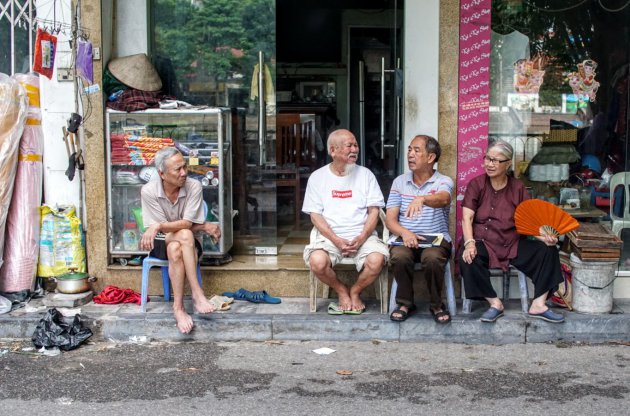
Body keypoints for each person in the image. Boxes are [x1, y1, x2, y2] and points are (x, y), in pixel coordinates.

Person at [459, 139, 565, 323]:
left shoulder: (517, 187)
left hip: (511, 242)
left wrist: (544, 237)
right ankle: (495, 303)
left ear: (508, 164)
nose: (490, 164)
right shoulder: (476, 184)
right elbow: (466, 218)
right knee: (468, 257)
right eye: (487, 159)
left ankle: (538, 304)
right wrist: (469, 243)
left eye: (496, 160)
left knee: (547, 251)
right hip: (483, 241)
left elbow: (528, 220)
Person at [302, 129, 389, 314]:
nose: (354, 149)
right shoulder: (318, 178)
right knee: (317, 262)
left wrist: (362, 237)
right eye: (349, 145)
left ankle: (355, 291)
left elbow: (374, 211)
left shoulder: (366, 175)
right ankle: (341, 290)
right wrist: (336, 240)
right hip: (329, 238)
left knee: (377, 260)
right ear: (333, 150)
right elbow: (315, 216)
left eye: (355, 145)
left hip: (362, 235)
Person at [140, 147, 221, 333]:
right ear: (162, 173)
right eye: (177, 169)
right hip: (160, 241)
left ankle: (178, 308)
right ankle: (197, 294)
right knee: (184, 235)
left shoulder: (194, 186)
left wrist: (159, 225)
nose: (184, 173)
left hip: (186, 241)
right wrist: (161, 227)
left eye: (184, 167)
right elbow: (176, 228)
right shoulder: (149, 191)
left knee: (179, 244)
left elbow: (185, 223)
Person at [386, 135, 453, 323]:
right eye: (409, 150)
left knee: (432, 258)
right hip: (405, 239)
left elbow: (444, 199)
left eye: (416, 150)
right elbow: (390, 220)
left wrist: (422, 199)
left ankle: (437, 305)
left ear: (430, 158)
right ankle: (405, 303)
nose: (410, 155)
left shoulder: (443, 180)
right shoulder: (400, 182)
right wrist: (405, 233)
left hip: (436, 241)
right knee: (399, 256)